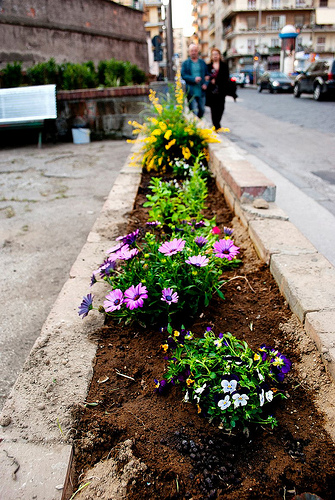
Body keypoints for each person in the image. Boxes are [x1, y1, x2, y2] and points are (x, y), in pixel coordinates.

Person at [205, 47, 233, 131]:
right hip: (212, 91)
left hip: (221, 90)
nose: (215, 56)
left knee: (221, 107)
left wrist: (216, 80)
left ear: (219, 55)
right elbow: (206, 76)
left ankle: (217, 122)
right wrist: (210, 80)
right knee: (213, 108)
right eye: (213, 54)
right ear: (211, 56)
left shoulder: (224, 65)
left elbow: (226, 77)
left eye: (216, 54)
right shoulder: (208, 66)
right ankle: (216, 124)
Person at [181, 44, 209, 119]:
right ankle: (195, 125)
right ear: (189, 52)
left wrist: (206, 84)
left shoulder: (202, 63)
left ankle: (200, 123)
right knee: (193, 110)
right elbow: (183, 75)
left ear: (198, 52)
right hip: (191, 90)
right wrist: (194, 79)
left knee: (202, 109)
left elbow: (207, 75)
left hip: (201, 90)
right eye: (192, 51)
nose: (193, 52)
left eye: (195, 50)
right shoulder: (185, 63)